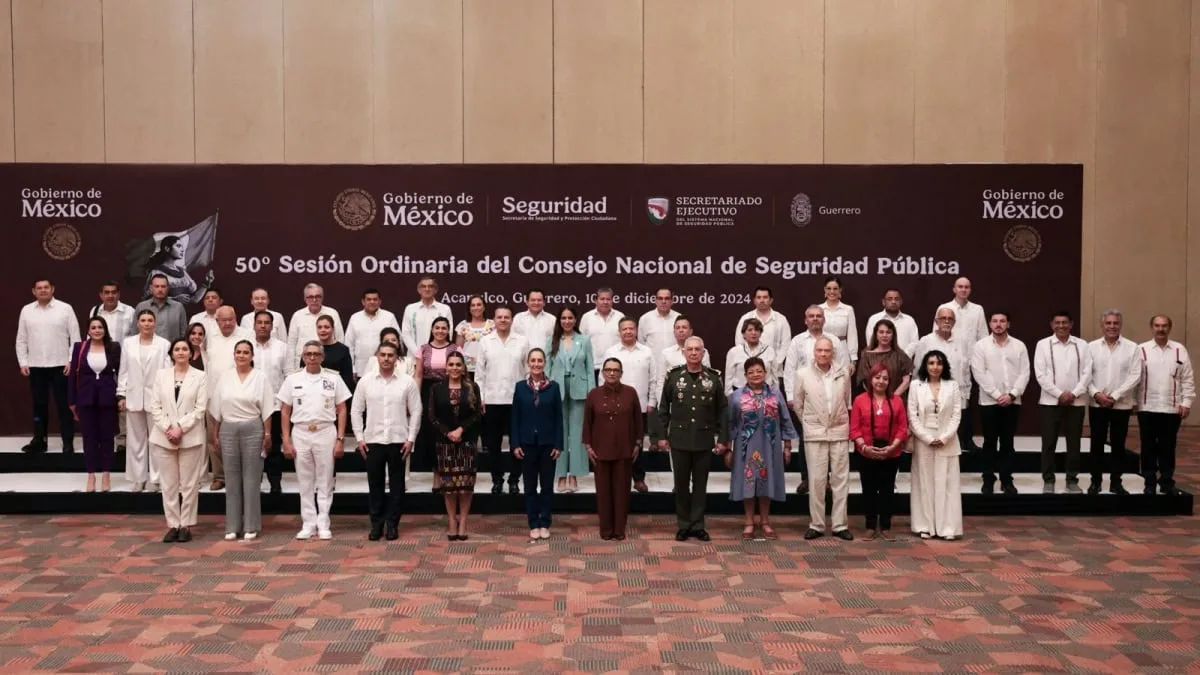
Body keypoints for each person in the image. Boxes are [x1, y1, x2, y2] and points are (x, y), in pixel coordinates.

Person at [652, 336, 729, 542]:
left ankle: (698, 524)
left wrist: (722, 439)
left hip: (703, 439)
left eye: (698, 350)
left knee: (701, 485)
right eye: (690, 349)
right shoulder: (674, 376)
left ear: (703, 353)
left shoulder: (713, 378)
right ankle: (684, 524)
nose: (694, 353)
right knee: (681, 485)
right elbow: (663, 408)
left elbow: (722, 411)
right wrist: (661, 436)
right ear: (684, 352)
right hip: (679, 439)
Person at [278, 341, 351, 540]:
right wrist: (286, 439)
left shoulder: (333, 379)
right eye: (308, 354)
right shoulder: (292, 379)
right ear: (302, 357)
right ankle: (308, 523)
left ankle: (324, 522)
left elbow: (342, 409)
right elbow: (285, 411)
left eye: (316, 354)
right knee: (305, 481)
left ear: (322, 357)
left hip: (325, 431)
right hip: (300, 432)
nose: (312, 357)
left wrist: (340, 439)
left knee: (325, 479)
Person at [352, 341, 422, 541]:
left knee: (397, 486)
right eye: (382, 355)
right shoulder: (365, 382)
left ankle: (392, 524)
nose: (386, 359)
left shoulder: (407, 382)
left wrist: (411, 439)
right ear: (376, 356)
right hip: (372, 439)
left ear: (397, 359)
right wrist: (359, 438)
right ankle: (376, 524)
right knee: (375, 485)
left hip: (399, 440)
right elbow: (356, 410)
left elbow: (416, 411)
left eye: (390, 355)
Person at [726, 357, 796, 540]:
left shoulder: (775, 394)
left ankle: (765, 521)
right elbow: (730, 424)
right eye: (751, 372)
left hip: (770, 446)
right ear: (745, 375)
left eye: (759, 371)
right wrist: (728, 448)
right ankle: (749, 522)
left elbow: (786, 420)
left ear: (765, 373)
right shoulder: (736, 397)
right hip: (745, 447)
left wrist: (787, 446)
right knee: (748, 483)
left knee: (767, 482)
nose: (755, 375)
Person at [209, 340, 273, 541]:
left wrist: (268, 434)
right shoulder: (225, 377)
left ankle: (251, 525)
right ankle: (232, 526)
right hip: (228, 428)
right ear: (234, 355)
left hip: (253, 427)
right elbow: (217, 407)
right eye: (239, 352)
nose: (242, 355)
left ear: (252, 356)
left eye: (246, 352)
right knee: (232, 477)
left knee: (252, 478)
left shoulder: (260, 377)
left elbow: (268, 408)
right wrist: (216, 432)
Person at [782, 305, 849, 496]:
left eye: (818, 316)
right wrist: (790, 396)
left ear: (824, 319)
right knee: (807, 439)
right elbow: (790, 369)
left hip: (832, 398)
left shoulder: (834, 340)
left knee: (830, 445)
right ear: (805, 320)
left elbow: (843, 370)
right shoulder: (798, 341)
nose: (815, 319)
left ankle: (827, 480)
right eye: (811, 316)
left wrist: (845, 403)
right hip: (807, 397)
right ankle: (807, 478)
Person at [148, 338, 208, 543]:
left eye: (185, 349)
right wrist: (169, 429)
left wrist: (181, 428)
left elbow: (200, 409)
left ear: (191, 353)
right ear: (172, 354)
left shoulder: (200, 376)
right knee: (169, 484)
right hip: (164, 437)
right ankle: (173, 524)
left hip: (190, 436)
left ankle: (186, 525)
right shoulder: (161, 376)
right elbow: (154, 406)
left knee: (189, 484)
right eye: (177, 349)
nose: (181, 352)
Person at [795, 337, 853, 541]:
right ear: (814, 352)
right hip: (815, 433)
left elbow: (846, 400)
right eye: (819, 350)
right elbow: (798, 404)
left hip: (838, 431)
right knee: (817, 481)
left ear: (833, 353)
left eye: (827, 351)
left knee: (840, 480)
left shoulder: (843, 372)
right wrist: (812, 423)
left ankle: (840, 525)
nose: (823, 354)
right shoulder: (802, 374)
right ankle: (817, 524)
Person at [16, 278, 80, 454]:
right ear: (33, 291)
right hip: (36, 366)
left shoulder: (65, 309)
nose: (43, 290)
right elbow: (21, 339)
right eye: (39, 288)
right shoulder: (27, 310)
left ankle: (68, 442)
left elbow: (75, 338)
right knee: (39, 405)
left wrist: (71, 361)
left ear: (53, 289)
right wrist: (23, 362)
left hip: (61, 365)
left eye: (46, 287)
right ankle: (39, 440)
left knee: (64, 406)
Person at [583, 357, 643, 541]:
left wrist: (638, 443)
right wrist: (588, 445)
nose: (611, 373)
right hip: (600, 450)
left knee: (622, 492)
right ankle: (606, 530)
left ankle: (619, 529)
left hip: (624, 449)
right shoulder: (594, 394)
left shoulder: (630, 393)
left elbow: (638, 422)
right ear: (602, 373)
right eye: (608, 369)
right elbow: (587, 422)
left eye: (616, 370)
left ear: (621, 373)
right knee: (603, 492)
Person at [971, 311, 1030, 496]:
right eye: (995, 321)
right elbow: (979, 373)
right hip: (989, 402)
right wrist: (997, 395)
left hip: (1013, 401)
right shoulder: (981, 346)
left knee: (1007, 442)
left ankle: (1006, 480)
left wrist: (1012, 395)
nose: (998, 324)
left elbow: (1025, 373)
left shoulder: (1019, 346)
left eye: (1002, 321)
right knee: (989, 442)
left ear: (1008, 324)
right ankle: (988, 479)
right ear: (990, 324)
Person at [1033, 311, 1092, 494]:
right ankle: (1048, 480)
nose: (1061, 326)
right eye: (1057, 322)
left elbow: (1087, 372)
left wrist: (1074, 393)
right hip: (1050, 402)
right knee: (1049, 443)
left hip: (1076, 402)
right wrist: (1059, 394)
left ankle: (1072, 480)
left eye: (1065, 322)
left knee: (1074, 443)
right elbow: (1040, 374)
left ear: (1071, 324)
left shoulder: (1082, 345)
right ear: (1051, 325)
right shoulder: (1043, 344)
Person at [908, 350, 964, 540]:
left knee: (947, 485)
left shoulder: (953, 386)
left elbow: (957, 414)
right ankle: (925, 526)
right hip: (924, 441)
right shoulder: (916, 386)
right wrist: (927, 438)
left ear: (944, 366)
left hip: (947, 442)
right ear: (925, 365)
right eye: (931, 363)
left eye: (939, 363)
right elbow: (912, 416)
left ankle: (947, 528)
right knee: (924, 484)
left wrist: (945, 437)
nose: (935, 367)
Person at [427, 353, 483, 540]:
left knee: (466, 486)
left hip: (466, 442)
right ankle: (452, 520)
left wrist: (461, 430)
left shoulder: (472, 387)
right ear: (446, 366)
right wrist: (447, 433)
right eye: (451, 364)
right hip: (445, 443)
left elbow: (477, 415)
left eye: (458, 364)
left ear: (464, 367)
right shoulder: (437, 388)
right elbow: (432, 417)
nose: (454, 368)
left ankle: (464, 521)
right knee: (449, 486)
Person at [850, 364, 909, 541]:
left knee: (887, 490)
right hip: (865, 453)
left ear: (889, 381)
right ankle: (869, 526)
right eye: (877, 377)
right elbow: (854, 428)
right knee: (868, 490)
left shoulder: (896, 401)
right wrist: (864, 447)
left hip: (891, 453)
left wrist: (893, 447)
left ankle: (885, 526)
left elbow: (902, 427)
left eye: (885, 378)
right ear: (870, 379)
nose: (880, 381)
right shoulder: (860, 400)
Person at [1137, 315, 1194, 495]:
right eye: (1157, 325)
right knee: (1148, 446)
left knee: (1168, 447)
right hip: (1147, 407)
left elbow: (1187, 378)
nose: (1160, 329)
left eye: (1164, 326)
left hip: (1171, 407)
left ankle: (1167, 481)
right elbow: (1134, 378)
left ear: (1169, 328)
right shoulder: (1141, 350)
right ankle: (1149, 481)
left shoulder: (1179, 350)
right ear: (1151, 327)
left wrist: (1187, 402)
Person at [1086, 309, 1141, 495]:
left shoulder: (1132, 348)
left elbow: (1135, 375)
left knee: (1118, 445)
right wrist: (1096, 394)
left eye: (1115, 323)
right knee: (1097, 444)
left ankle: (1116, 483)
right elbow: (1086, 375)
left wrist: (1115, 396)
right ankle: (1095, 482)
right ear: (1102, 325)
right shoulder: (1091, 347)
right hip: (1097, 404)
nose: (1111, 326)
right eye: (1108, 323)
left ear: (1120, 325)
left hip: (1121, 404)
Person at [511, 348, 564, 542]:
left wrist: (558, 444)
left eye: (539, 360)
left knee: (547, 486)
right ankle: (533, 522)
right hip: (527, 444)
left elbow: (559, 418)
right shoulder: (520, 387)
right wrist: (515, 443)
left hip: (548, 443)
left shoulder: (554, 387)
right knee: (530, 486)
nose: (536, 364)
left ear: (545, 363)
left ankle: (545, 522)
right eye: (532, 360)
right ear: (528, 363)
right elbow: (515, 416)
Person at [475, 306, 528, 495]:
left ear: (512, 319)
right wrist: (480, 398)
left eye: (507, 317)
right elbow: (479, 374)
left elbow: (528, 371)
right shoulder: (485, 342)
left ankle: (514, 480)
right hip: (492, 400)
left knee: (518, 444)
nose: (503, 320)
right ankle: (496, 480)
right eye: (500, 317)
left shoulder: (522, 341)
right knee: (493, 445)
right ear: (494, 320)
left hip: (517, 401)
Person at [602, 317, 657, 494]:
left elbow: (653, 379)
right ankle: (618, 478)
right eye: (624, 329)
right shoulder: (611, 351)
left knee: (638, 444)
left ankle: (638, 478)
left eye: (631, 328)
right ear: (619, 332)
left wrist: (651, 402)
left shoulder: (647, 352)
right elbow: (603, 378)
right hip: (614, 407)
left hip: (639, 405)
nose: (628, 332)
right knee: (617, 442)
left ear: (636, 330)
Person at [934, 277, 989, 452]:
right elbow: (935, 334)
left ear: (970, 290)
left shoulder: (977, 310)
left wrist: (982, 360)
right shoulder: (945, 308)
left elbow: (983, 336)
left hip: (972, 362)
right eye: (960, 286)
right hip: (949, 361)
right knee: (946, 401)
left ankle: (967, 439)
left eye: (967, 287)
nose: (963, 289)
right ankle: (948, 438)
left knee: (967, 402)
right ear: (954, 289)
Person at [118, 310, 170, 492]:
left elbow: (167, 373)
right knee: (135, 440)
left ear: (155, 323)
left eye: (150, 320)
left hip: (156, 399)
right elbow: (124, 370)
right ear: (138, 323)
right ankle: (137, 478)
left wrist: (165, 397)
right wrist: (121, 394)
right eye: (143, 320)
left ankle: (155, 478)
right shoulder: (128, 343)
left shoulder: (164, 344)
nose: (147, 324)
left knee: (156, 440)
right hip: (133, 396)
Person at [68, 317, 122, 492]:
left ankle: (106, 474)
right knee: (89, 438)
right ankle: (91, 474)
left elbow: (122, 373)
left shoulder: (113, 348)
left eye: (100, 327)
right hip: (86, 398)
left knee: (107, 438)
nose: (97, 330)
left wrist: (122, 395)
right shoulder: (79, 347)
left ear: (105, 329)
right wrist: (71, 401)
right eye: (93, 327)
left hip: (107, 398)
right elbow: (72, 376)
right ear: (88, 330)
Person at [203, 306, 253, 491]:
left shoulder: (247, 335)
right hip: (213, 394)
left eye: (230, 319)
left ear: (236, 318)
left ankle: (242, 476)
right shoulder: (210, 337)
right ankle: (219, 476)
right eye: (223, 320)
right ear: (217, 321)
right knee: (213, 438)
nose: (227, 323)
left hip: (239, 396)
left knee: (240, 437)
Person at [546, 306, 593, 492]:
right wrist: (546, 392)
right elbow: (547, 369)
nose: (567, 321)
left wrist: (592, 392)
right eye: (563, 318)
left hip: (579, 391)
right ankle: (559, 475)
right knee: (559, 434)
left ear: (575, 320)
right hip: (557, 391)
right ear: (559, 321)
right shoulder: (551, 341)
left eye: (570, 318)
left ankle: (574, 474)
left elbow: (590, 368)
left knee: (576, 435)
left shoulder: (584, 340)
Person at [914, 308, 972, 452]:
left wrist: (966, 395)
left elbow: (966, 371)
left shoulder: (963, 341)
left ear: (954, 322)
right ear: (936, 321)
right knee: (931, 437)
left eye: (950, 319)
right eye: (943, 318)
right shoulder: (926, 341)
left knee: (952, 438)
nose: (947, 321)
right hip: (930, 397)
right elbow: (918, 370)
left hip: (956, 396)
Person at [414, 317, 461, 474]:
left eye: (444, 328)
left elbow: (461, 373)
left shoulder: (455, 349)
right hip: (428, 392)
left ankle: (448, 469)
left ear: (448, 331)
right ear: (432, 330)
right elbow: (419, 374)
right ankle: (435, 472)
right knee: (431, 431)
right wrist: (415, 397)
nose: (440, 331)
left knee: (448, 427)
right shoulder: (423, 349)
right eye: (437, 328)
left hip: (449, 391)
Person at [252, 310, 291, 496]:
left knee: (274, 447)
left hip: (275, 406)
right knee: (253, 449)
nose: (262, 326)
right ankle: (254, 484)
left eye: (266, 322)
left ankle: (276, 485)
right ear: (253, 325)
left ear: (272, 326)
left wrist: (286, 404)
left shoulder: (282, 348)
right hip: (250, 407)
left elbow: (289, 376)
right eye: (259, 322)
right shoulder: (246, 347)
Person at [651, 315, 711, 404]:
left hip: (698, 402)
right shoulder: (666, 353)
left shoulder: (702, 351)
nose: (681, 330)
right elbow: (661, 383)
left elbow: (707, 378)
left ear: (691, 331)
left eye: (684, 327)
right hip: (674, 404)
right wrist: (663, 406)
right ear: (674, 332)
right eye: (677, 328)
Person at [346, 287, 400, 379]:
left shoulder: (389, 317)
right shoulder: (355, 318)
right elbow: (349, 345)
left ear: (380, 302)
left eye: (375, 299)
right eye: (369, 299)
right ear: (363, 302)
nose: (372, 302)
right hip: (360, 370)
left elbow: (398, 343)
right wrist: (352, 368)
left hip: (385, 369)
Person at [144, 234, 214, 304]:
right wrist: (173, 299)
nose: (182, 250)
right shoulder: (156, 272)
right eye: (178, 246)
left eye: (182, 247)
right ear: (167, 248)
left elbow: (194, 300)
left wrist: (206, 284)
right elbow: (148, 298)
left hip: (182, 313)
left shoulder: (183, 273)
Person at [855, 319, 913, 398]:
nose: (884, 335)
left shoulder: (900, 355)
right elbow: (865, 382)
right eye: (881, 332)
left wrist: (893, 398)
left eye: (888, 332)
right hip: (874, 401)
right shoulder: (867, 355)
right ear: (876, 334)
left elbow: (906, 381)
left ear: (893, 335)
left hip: (896, 400)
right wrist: (879, 399)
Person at [287, 284, 344, 363]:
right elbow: (291, 345)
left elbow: (340, 340)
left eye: (318, 296)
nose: (314, 300)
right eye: (310, 297)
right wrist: (290, 370)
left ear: (322, 298)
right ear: (305, 299)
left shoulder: (332, 313)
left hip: (329, 362)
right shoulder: (297, 315)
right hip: (302, 364)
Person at [724, 318, 781, 396]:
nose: (753, 333)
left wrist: (776, 395)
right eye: (750, 330)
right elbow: (728, 379)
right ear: (743, 334)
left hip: (766, 394)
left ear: (761, 333)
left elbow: (775, 377)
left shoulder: (770, 351)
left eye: (757, 330)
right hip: (740, 395)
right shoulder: (734, 352)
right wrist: (730, 398)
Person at [579, 287, 624, 384]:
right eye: (602, 299)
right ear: (596, 300)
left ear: (612, 301)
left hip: (615, 368)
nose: (605, 302)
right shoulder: (587, 317)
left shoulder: (620, 317)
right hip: (593, 368)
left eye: (608, 299)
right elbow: (581, 343)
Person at [732, 286, 792, 357]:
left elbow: (786, 345)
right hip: (749, 365)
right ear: (754, 300)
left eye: (765, 297)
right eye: (759, 297)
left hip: (774, 366)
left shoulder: (781, 319)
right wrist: (749, 364)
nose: (762, 300)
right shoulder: (745, 318)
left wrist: (775, 363)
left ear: (771, 300)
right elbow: (739, 343)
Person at [400, 276, 453, 356]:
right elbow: (406, 334)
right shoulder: (410, 309)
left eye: (430, 286)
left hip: (438, 356)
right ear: (419, 290)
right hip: (414, 358)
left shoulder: (445, 309)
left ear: (435, 290)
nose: (427, 289)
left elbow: (449, 333)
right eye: (423, 286)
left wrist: (436, 352)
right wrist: (418, 353)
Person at [819, 276, 859, 375]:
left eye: (835, 288)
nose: (832, 291)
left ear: (840, 290)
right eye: (829, 288)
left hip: (842, 350)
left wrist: (853, 360)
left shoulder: (848, 309)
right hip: (822, 351)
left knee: (842, 384)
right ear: (824, 290)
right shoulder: (819, 309)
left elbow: (852, 335)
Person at [132, 273, 188, 342]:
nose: (160, 289)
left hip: (171, 351)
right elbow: (134, 333)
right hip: (147, 351)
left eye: (163, 286)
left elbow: (184, 334)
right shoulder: (141, 307)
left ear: (168, 288)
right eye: (157, 286)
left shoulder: (178, 307)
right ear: (151, 288)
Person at [864, 288, 919, 357]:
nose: (893, 302)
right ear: (883, 302)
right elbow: (871, 342)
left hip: (904, 363)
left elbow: (914, 342)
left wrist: (902, 358)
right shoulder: (874, 319)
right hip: (880, 363)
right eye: (890, 299)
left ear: (901, 302)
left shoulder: (909, 320)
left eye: (896, 299)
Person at [454, 294, 494, 378]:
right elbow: (458, 349)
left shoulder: (492, 325)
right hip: (468, 369)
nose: (476, 307)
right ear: (469, 309)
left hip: (488, 367)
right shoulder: (462, 325)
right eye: (473, 305)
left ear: (484, 307)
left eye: (479, 305)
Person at [313, 314, 355, 391]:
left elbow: (348, 379)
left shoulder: (343, 350)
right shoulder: (311, 349)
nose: (323, 330)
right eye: (320, 327)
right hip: (314, 392)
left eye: (327, 327)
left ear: (333, 329)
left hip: (336, 393)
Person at [90, 281, 135, 345]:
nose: (110, 296)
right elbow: (90, 335)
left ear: (118, 294)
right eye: (107, 292)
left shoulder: (129, 311)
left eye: (114, 292)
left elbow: (136, 335)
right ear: (101, 295)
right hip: (101, 353)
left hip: (123, 354)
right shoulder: (95, 310)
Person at [638, 288, 680, 356]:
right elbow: (641, 344)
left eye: (667, 298)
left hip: (675, 363)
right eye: (660, 298)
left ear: (672, 301)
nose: (663, 301)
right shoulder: (645, 319)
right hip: (653, 364)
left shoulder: (679, 318)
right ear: (655, 301)